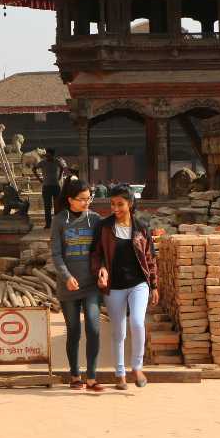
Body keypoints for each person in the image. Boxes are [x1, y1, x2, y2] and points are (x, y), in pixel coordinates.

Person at [93, 184, 158, 390]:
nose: (115, 208)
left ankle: (137, 367)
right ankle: (119, 374)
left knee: (138, 323)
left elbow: (150, 258)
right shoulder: (104, 227)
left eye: (120, 204)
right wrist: (100, 270)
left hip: (138, 283)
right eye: (112, 204)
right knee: (118, 331)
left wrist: (154, 285)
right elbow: (96, 254)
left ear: (130, 204)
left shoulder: (141, 227)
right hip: (114, 286)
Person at [49, 177, 103, 392]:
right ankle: (75, 375)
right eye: (82, 199)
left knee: (94, 326)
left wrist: (104, 269)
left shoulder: (96, 219)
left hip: (91, 285)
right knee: (73, 330)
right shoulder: (59, 220)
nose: (86, 203)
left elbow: (101, 251)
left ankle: (92, 377)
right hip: (68, 285)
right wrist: (66, 276)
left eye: (89, 198)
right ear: (70, 199)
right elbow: (56, 253)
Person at [34, 149, 68, 228]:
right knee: (47, 206)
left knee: (57, 206)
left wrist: (59, 176)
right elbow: (34, 169)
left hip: (55, 186)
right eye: (47, 156)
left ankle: (57, 223)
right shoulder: (43, 162)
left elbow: (62, 168)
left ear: (53, 155)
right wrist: (39, 179)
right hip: (46, 186)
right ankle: (48, 224)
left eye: (49, 156)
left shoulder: (57, 161)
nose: (47, 157)